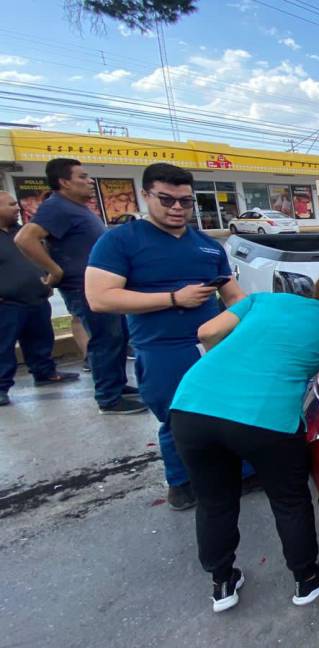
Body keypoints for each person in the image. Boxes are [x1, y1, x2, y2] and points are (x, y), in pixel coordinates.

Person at [168, 270, 319, 612]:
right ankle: (306, 578)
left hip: (192, 406)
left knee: (214, 501)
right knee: (289, 501)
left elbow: (206, 331)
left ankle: (222, 583)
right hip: (264, 419)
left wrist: (230, 366)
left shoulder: (264, 300)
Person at [85, 163, 253, 511]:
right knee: (178, 417)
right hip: (161, 348)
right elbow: (99, 298)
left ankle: (243, 472)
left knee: (230, 408)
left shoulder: (207, 245)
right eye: (166, 199)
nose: (177, 208)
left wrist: (243, 331)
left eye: (185, 201)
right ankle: (182, 482)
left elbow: (234, 296)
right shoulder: (119, 241)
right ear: (146, 195)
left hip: (212, 344)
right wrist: (173, 298)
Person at [14, 158, 144, 415]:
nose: (90, 181)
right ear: (64, 182)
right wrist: (54, 270)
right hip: (82, 286)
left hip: (101, 284)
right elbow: (24, 238)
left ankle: (116, 385)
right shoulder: (57, 207)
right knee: (105, 339)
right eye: (82, 177)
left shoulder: (74, 207)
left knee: (118, 336)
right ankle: (109, 398)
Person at [0, 191, 80, 407]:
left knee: (41, 340)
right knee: (3, 347)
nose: (17, 207)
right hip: (7, 303)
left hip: (36, 299)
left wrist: (46, 280)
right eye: (10, 204)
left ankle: (45, 373)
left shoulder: (21, 233)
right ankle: (1, 387)